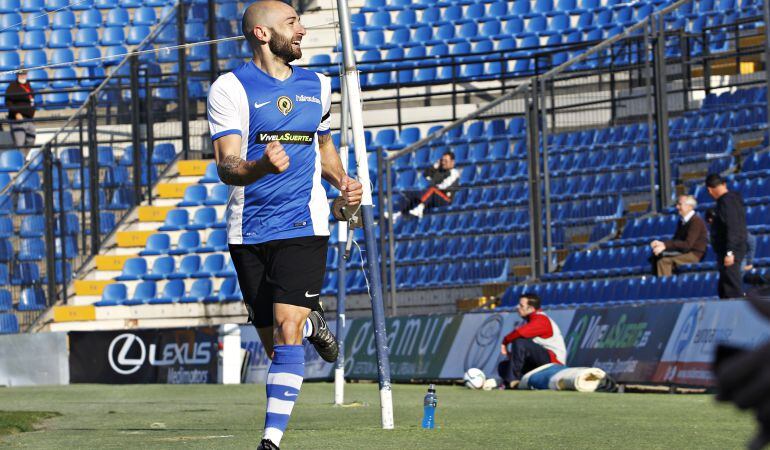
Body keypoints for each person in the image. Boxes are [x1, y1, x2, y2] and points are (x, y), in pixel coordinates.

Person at [206, 2, 363, 449]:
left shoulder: (319, 85)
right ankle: (314, 326)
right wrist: (260, 167)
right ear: (261, 33)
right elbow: (228, 165)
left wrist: (343, 181)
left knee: (286, 329)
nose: (302, 29)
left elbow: (324, 147)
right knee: (278, 348)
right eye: (292, 23)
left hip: (304, 223)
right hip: (249, 228)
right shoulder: (230, 88)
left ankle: (271, 441)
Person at [498, 293, 567, 389]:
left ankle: (512, 380)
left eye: (521, 305)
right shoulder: (530, 319)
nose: (518, 307)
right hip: (540, 361)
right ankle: (518, 381)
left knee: (519, 341)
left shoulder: (541, 319)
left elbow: (520, 333)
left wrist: (505, 342)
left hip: (553, 363)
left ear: (531, 308)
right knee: (503, 366)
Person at [705, 173, 748, 299]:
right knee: (724, 288)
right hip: (732, 249)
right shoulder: (733, 200)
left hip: (730, 251)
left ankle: (738, 316)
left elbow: (732, 227)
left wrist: (730, 252)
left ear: (709, 190)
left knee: (732, 289)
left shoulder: (726, 202)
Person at [649, 195, 708, 276]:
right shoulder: (682, 221)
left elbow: (687, 245)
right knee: (656, 257)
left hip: (693, 254)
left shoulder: (696, 222)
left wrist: (665, 245)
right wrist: (662, 244)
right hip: (684, 252)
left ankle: (664, 286)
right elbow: (676, 240)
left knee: (664, 261)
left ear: (690, 206)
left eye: (680, 204)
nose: (677, 207)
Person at [393, 150, 460, 220]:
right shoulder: (439, 171)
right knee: (416, 195)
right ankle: (400, 214)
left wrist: (433, 185)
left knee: (431, 190)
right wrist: (435, 166)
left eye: (446, 161)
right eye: (442, 160)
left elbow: (444, 186)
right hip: (433, 196)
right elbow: (426, 175)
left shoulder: (454, 173)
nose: (443, 163)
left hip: (445, 198)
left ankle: (420, 208)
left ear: (452, 162)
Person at [5, 69, 36, 150]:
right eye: (21, 74)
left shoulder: (28, 85)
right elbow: (8, 102)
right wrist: (16, 113)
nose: (23, 76)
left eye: (24, 74)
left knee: (31, 139)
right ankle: (21, 160)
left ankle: (24, 159)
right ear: (17, 75)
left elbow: (32, 98)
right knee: (20, 143)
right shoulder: (12, 86)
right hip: (18, 119)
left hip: (29, 118)